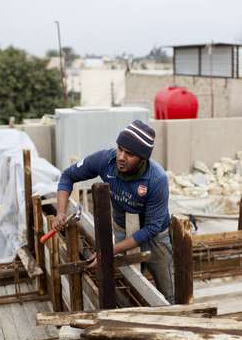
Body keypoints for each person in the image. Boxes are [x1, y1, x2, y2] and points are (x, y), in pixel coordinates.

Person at [53, 119, 174, 303]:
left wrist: (109, 251)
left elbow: (151, 228)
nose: (121, 157)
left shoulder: (156, 179)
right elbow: (67, 176)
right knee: (128, 281)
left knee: (167, 291)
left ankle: (172, 314)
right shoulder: (105, 161)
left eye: (130, 154)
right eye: (120, 149)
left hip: (155, 234)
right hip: (122, 226)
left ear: (143, 158)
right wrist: (60, 212)